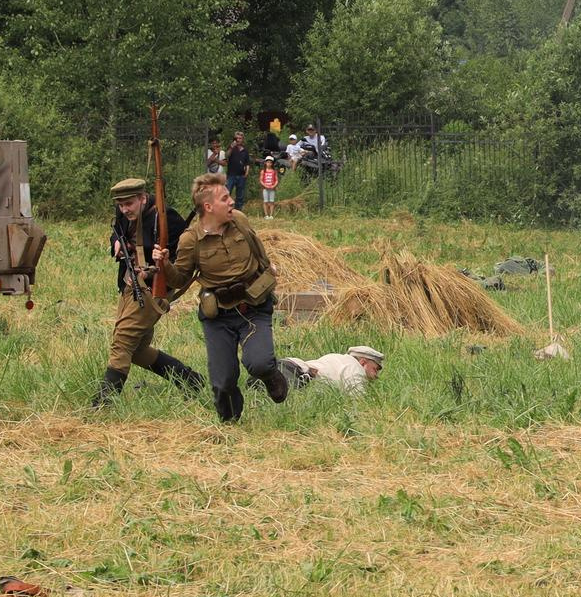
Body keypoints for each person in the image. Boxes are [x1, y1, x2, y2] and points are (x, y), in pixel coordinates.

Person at [153, 172, 291, 423]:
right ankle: (230, 424)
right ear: (208, 207)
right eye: (225, 198)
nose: (231, 202)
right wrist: (163, 265)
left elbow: (258, 250)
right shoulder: (190, 239)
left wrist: (268, 273)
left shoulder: (239, 220)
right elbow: (180, 279)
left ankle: (270, 375)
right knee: (223, 381)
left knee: (258, 363)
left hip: (253, 306)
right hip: (219, 316)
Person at [91, 177, 207, 406]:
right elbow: (117, 232)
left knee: (123, 342)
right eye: (121, 205)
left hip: (154, 290)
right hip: (129, 285)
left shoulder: (166, 219)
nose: (125, 210)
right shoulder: (124, 214)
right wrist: (115, 242)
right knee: (136, 349)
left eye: (129, 204)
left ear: (143, 198)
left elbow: (184, 256)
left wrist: (157, 266)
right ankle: (189, 379)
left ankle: (103, 404)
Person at [281, 344, 384, 394]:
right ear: (363, 362)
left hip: (285, 365)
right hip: (294, 375)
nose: (377, 375)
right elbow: (358, 398)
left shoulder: (335, 358)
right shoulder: (355, 366)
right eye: (375, 369)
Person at [223, 132, 250, 201]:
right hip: (231, 175)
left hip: (241, 175)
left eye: (240, 138)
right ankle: (226, 209)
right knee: (227, 193)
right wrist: (231, 148)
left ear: (242, 139)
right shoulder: (231, 147)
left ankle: (238, 210)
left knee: (240, 195)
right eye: (236, 138)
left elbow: (247, 162)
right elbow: (226, 155)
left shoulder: (245, 150)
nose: (238, 140)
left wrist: (246, 172)